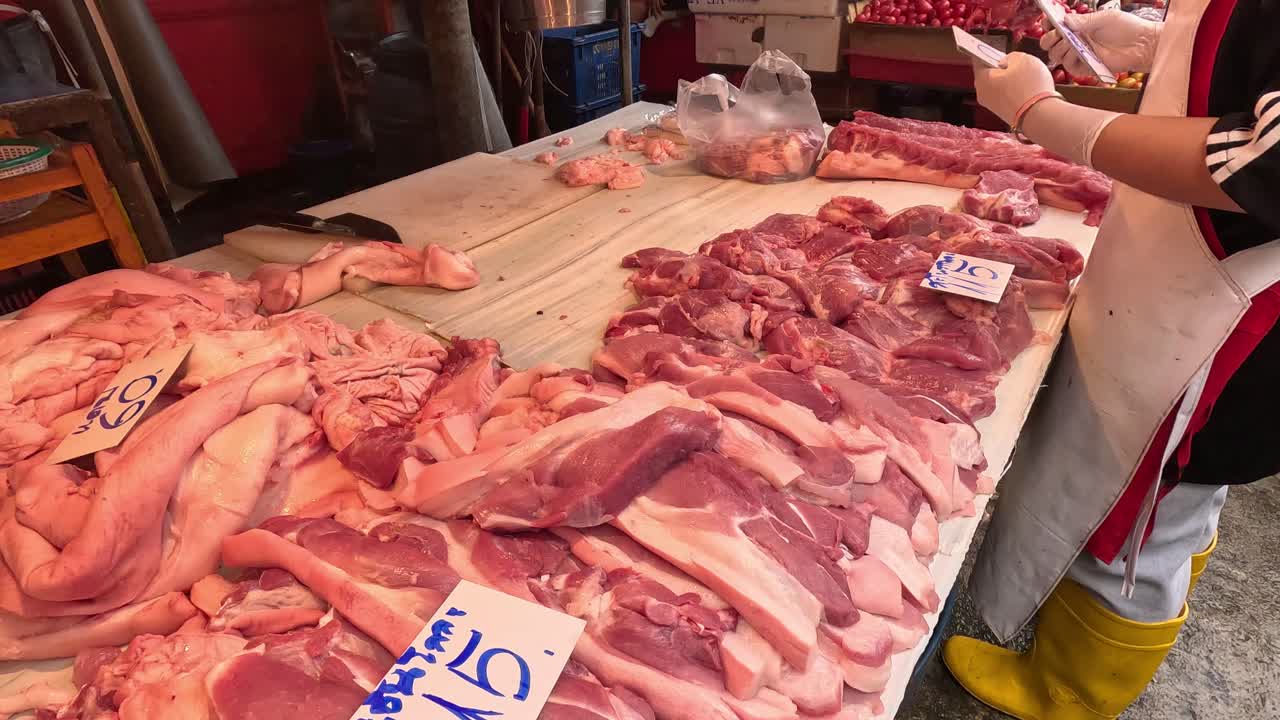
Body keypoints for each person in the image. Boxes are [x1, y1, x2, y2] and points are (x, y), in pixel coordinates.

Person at [942, 1, 1280, 718]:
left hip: (1236, 304)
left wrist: (1044, 114)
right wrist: (1159, 42)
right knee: (1170, 495)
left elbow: (1270, 163)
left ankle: (1071, 694)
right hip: (1189, 270)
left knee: (1146, 510)